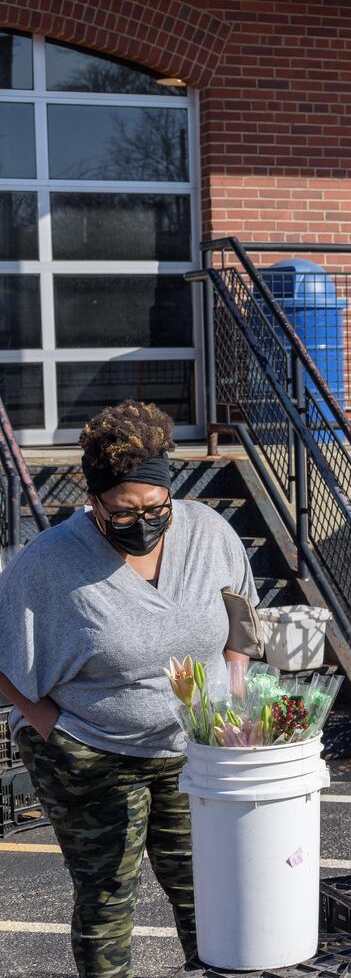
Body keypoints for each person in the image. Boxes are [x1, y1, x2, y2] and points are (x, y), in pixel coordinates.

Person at [0, 401, 259, 977]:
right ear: (92, 503)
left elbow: (240, 614)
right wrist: (52, 728)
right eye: (122, 512)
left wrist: (235, 692)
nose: (141, 523)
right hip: (90, 748)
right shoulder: (49, 563)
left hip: (193, 747)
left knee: (204, 887)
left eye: (155, 509)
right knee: (108, 898)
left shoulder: (209, 533)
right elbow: (2, 652)